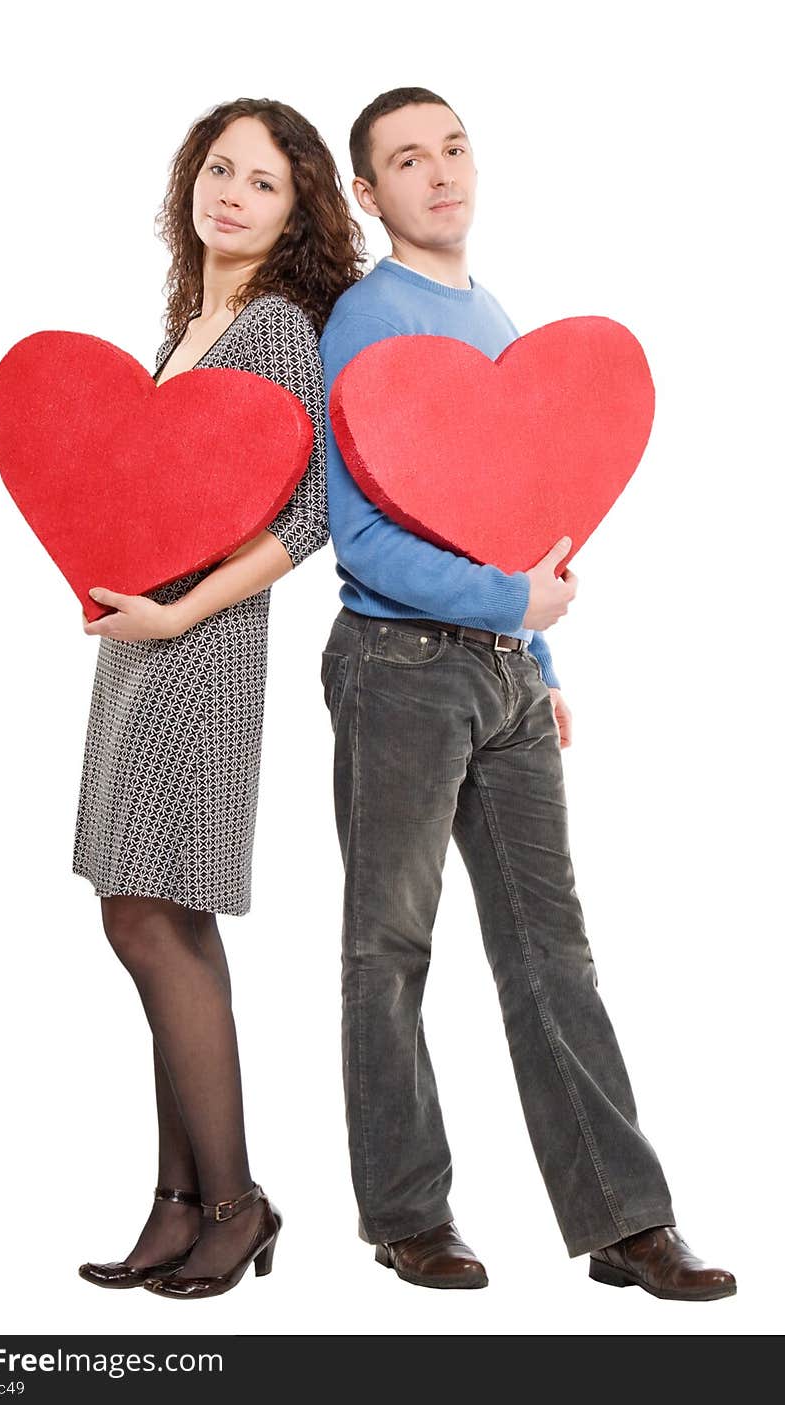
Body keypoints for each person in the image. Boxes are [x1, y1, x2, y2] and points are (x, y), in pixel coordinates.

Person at [318, 87, 736, 1302]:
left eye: (453, 149)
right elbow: (361, 537)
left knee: (554, 954)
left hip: (503, 679)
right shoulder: (364, 318)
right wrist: (514, 613)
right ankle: (407, 1215)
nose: (440, 173)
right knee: (388, 949)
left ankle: (625, 1221)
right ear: (368, 192)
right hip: (397, 670)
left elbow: (515, 526)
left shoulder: (492, 313)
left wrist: (536, 664)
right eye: (407, 159)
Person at [72, 97, 363, 1301]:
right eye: (219, 169)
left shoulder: (280, 329)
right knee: (152, 917)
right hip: (141, 640)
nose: (231, 194)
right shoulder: (196, 319)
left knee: (153, 916)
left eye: (264, 182)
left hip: (202, 644)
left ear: (296, 213)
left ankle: (235, 1200)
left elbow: (304, 516)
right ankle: (180, 1199)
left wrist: (180, 612)